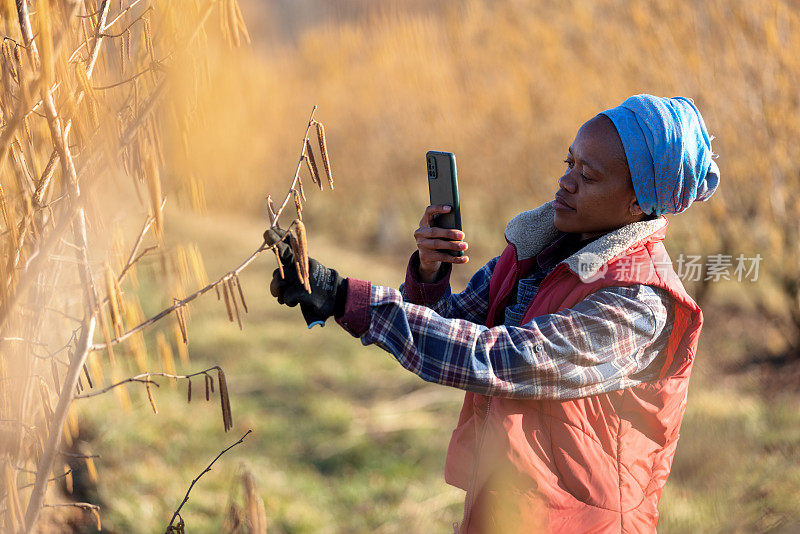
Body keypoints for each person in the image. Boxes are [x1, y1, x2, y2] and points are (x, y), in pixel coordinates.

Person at [266, 94, 720, 533]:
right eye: (569, 164)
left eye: (590, 176)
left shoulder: (640, 303)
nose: (566, 182)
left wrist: (345, 296)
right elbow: (449, 322)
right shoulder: (539, 252)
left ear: (639, 202)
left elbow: (502, 361)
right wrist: (429, 271)